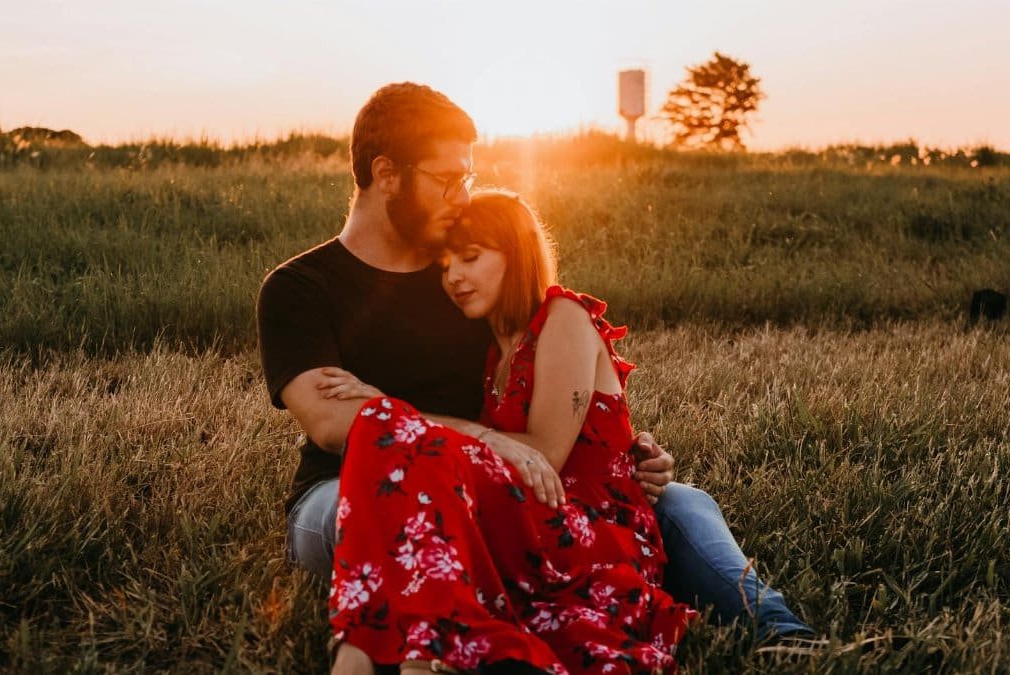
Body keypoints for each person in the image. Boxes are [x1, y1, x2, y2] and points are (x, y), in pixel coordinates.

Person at [256, 82, 813, 674]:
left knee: (676, 502)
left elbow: (546, 382)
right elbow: (333, 423)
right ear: (386, 173)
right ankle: (422, 645)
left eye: (467, 177)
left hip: (489, 483)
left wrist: (624, 449)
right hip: (344, 490)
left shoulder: (464, 283)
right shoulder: (299, 288)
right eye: (447, 178)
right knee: (390, 503)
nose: (461, 194)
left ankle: (777, 631)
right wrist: (486, 439)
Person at [322, 190, 700, 673]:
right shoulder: (493, 352)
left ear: (516, 253)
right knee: (390, 431)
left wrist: (395, 410)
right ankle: (382, 651)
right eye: (445, 265)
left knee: (384, 420)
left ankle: (383, 653)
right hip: (532, 522)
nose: (454, 276)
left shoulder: (562, 317)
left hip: (589, 528)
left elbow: (546, 455)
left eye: (471, 258)